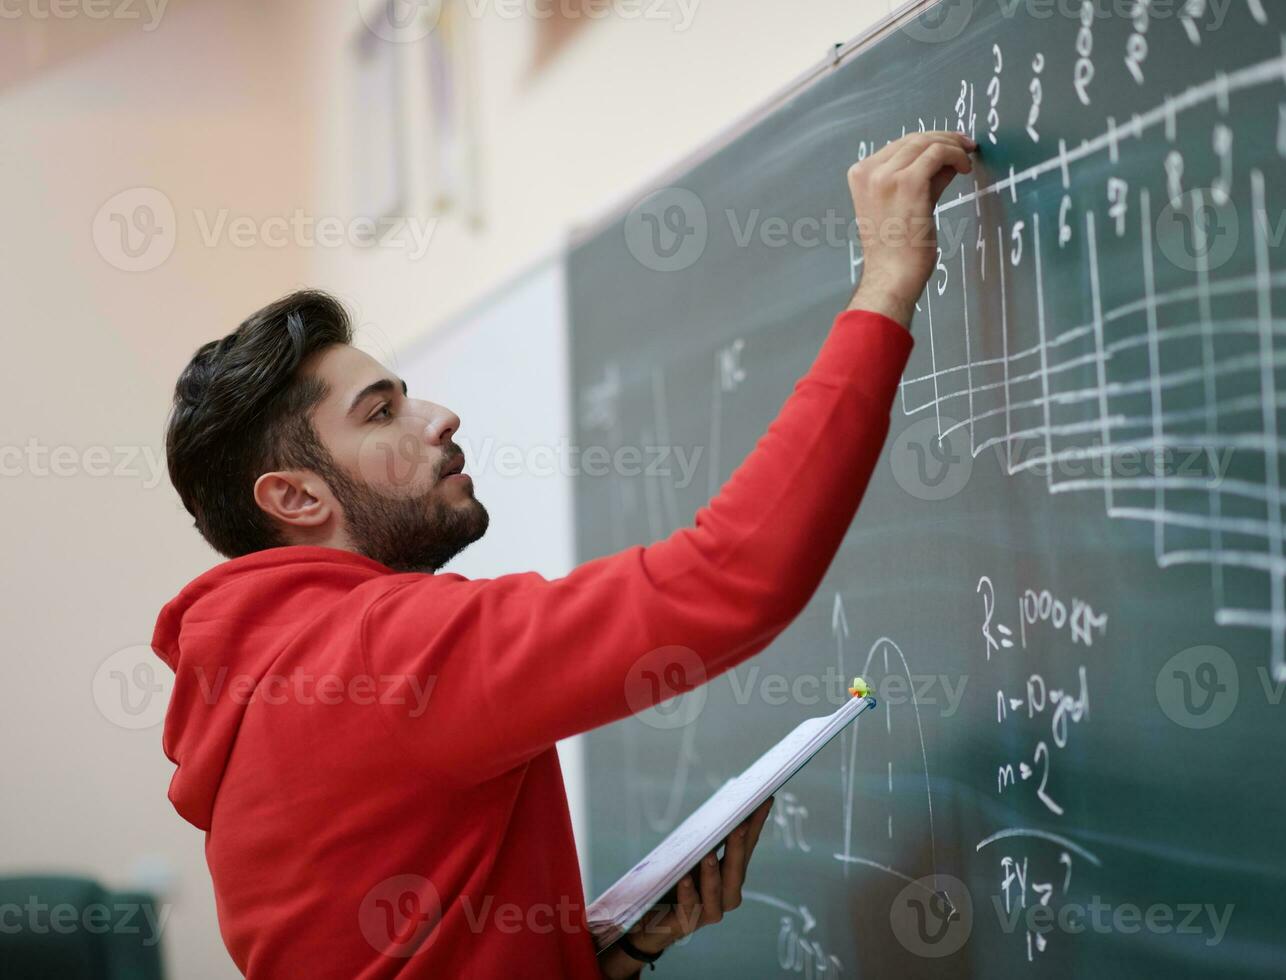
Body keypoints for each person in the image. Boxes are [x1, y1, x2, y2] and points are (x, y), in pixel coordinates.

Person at [152, 129, 975, 977]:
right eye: (380, 412)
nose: (439, 417)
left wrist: (611, 951)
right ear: (296, 497)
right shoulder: (379, 651)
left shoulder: (250, 687)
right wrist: (886, 285)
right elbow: (731, 580)